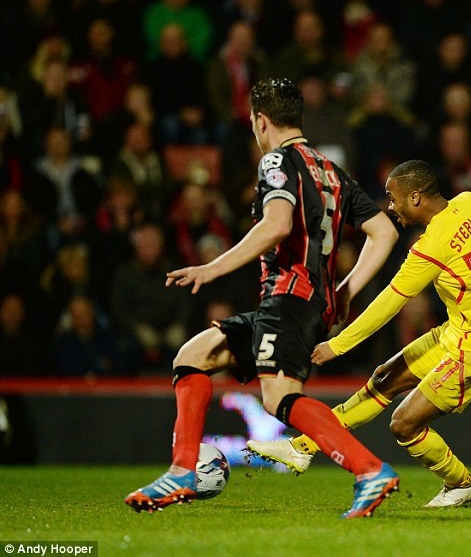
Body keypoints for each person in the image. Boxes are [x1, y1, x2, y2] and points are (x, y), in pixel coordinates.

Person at [124, 78, 401, 519]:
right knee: (192, 357)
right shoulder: (329, 169)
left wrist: (212, 268)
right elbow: (383, 231)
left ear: (260, 120)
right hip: (304, 301)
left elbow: (277, 224)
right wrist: (344, 290)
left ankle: (368, 469)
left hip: (289, 297)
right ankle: (181, 471)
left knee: (278, 398)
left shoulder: (277, 160)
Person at [246, 159, 471, 507]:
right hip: (460, 331)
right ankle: (303, 447)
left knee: (404, 424)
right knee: (384, 379)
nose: (390, 207)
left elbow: (388, 303)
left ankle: (462, 483)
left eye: (393, 198)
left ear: (416, 197)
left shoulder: (430, 246)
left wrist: (339, 344)